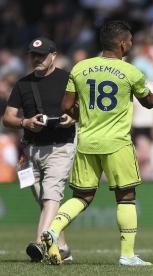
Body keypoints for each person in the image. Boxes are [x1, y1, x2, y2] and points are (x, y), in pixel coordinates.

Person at [40, 20, 153, 265]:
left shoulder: (80, 68)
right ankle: (127, 255)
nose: (131, 45)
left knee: (82, 196)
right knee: (126, 196)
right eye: (131, 41)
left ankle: (52, 230)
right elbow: (149, 102)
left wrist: (82, 118)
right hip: (117, 143)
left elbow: (66, 106)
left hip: (86, 141)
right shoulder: (131, 71)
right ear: (123, 43)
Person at [2, 37, 75, 262]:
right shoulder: (23, 84)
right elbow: (8, 118)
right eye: (33, 55)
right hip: (30, 150)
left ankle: (40, 244)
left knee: (51, 196)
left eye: (41, 55)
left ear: (53, 55)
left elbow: (81, 110)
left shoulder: (68, 79)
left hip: (60, 146)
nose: (36, 59)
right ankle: (62, 247)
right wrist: (26, 122)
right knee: (45, 200)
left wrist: (70, 119)